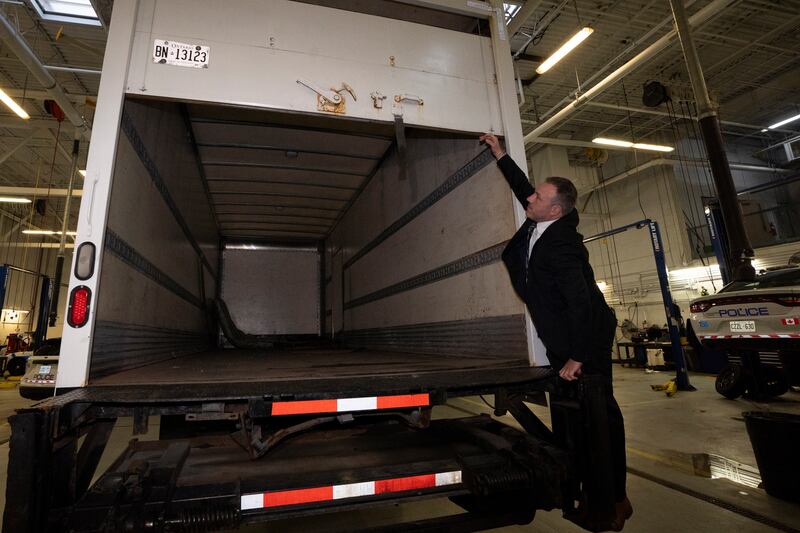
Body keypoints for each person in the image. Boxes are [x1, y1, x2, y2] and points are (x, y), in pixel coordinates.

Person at [479, 133, 632, 530]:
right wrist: (501, 155)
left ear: (555, 211)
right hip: (566, 340)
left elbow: (581, 304)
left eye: (538, 200)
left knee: (601, 420)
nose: (529, 200)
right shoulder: (543, 219)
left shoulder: (564, 245)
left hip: (587, 340)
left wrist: (578, 356)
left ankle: (615, 498)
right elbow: (525, 190)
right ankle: (578, 489)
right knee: (572, 419)